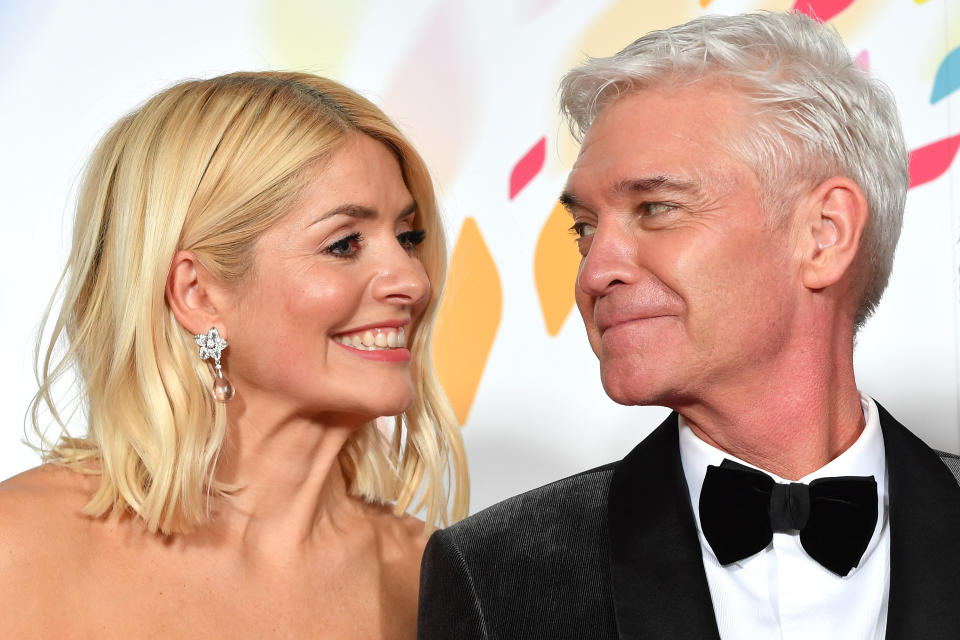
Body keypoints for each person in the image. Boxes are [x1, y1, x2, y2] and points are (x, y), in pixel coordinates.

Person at [418, 11, 960, 640]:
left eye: (656, 208)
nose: (595, 272)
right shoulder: (496, 575)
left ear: (824, 235)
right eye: (584, 228)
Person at [0, 71, 467, 638]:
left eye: (408, 239)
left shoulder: (433, 578)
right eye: (344, 244)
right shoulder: (20, 549)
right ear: (197, 294)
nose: (413, 283)